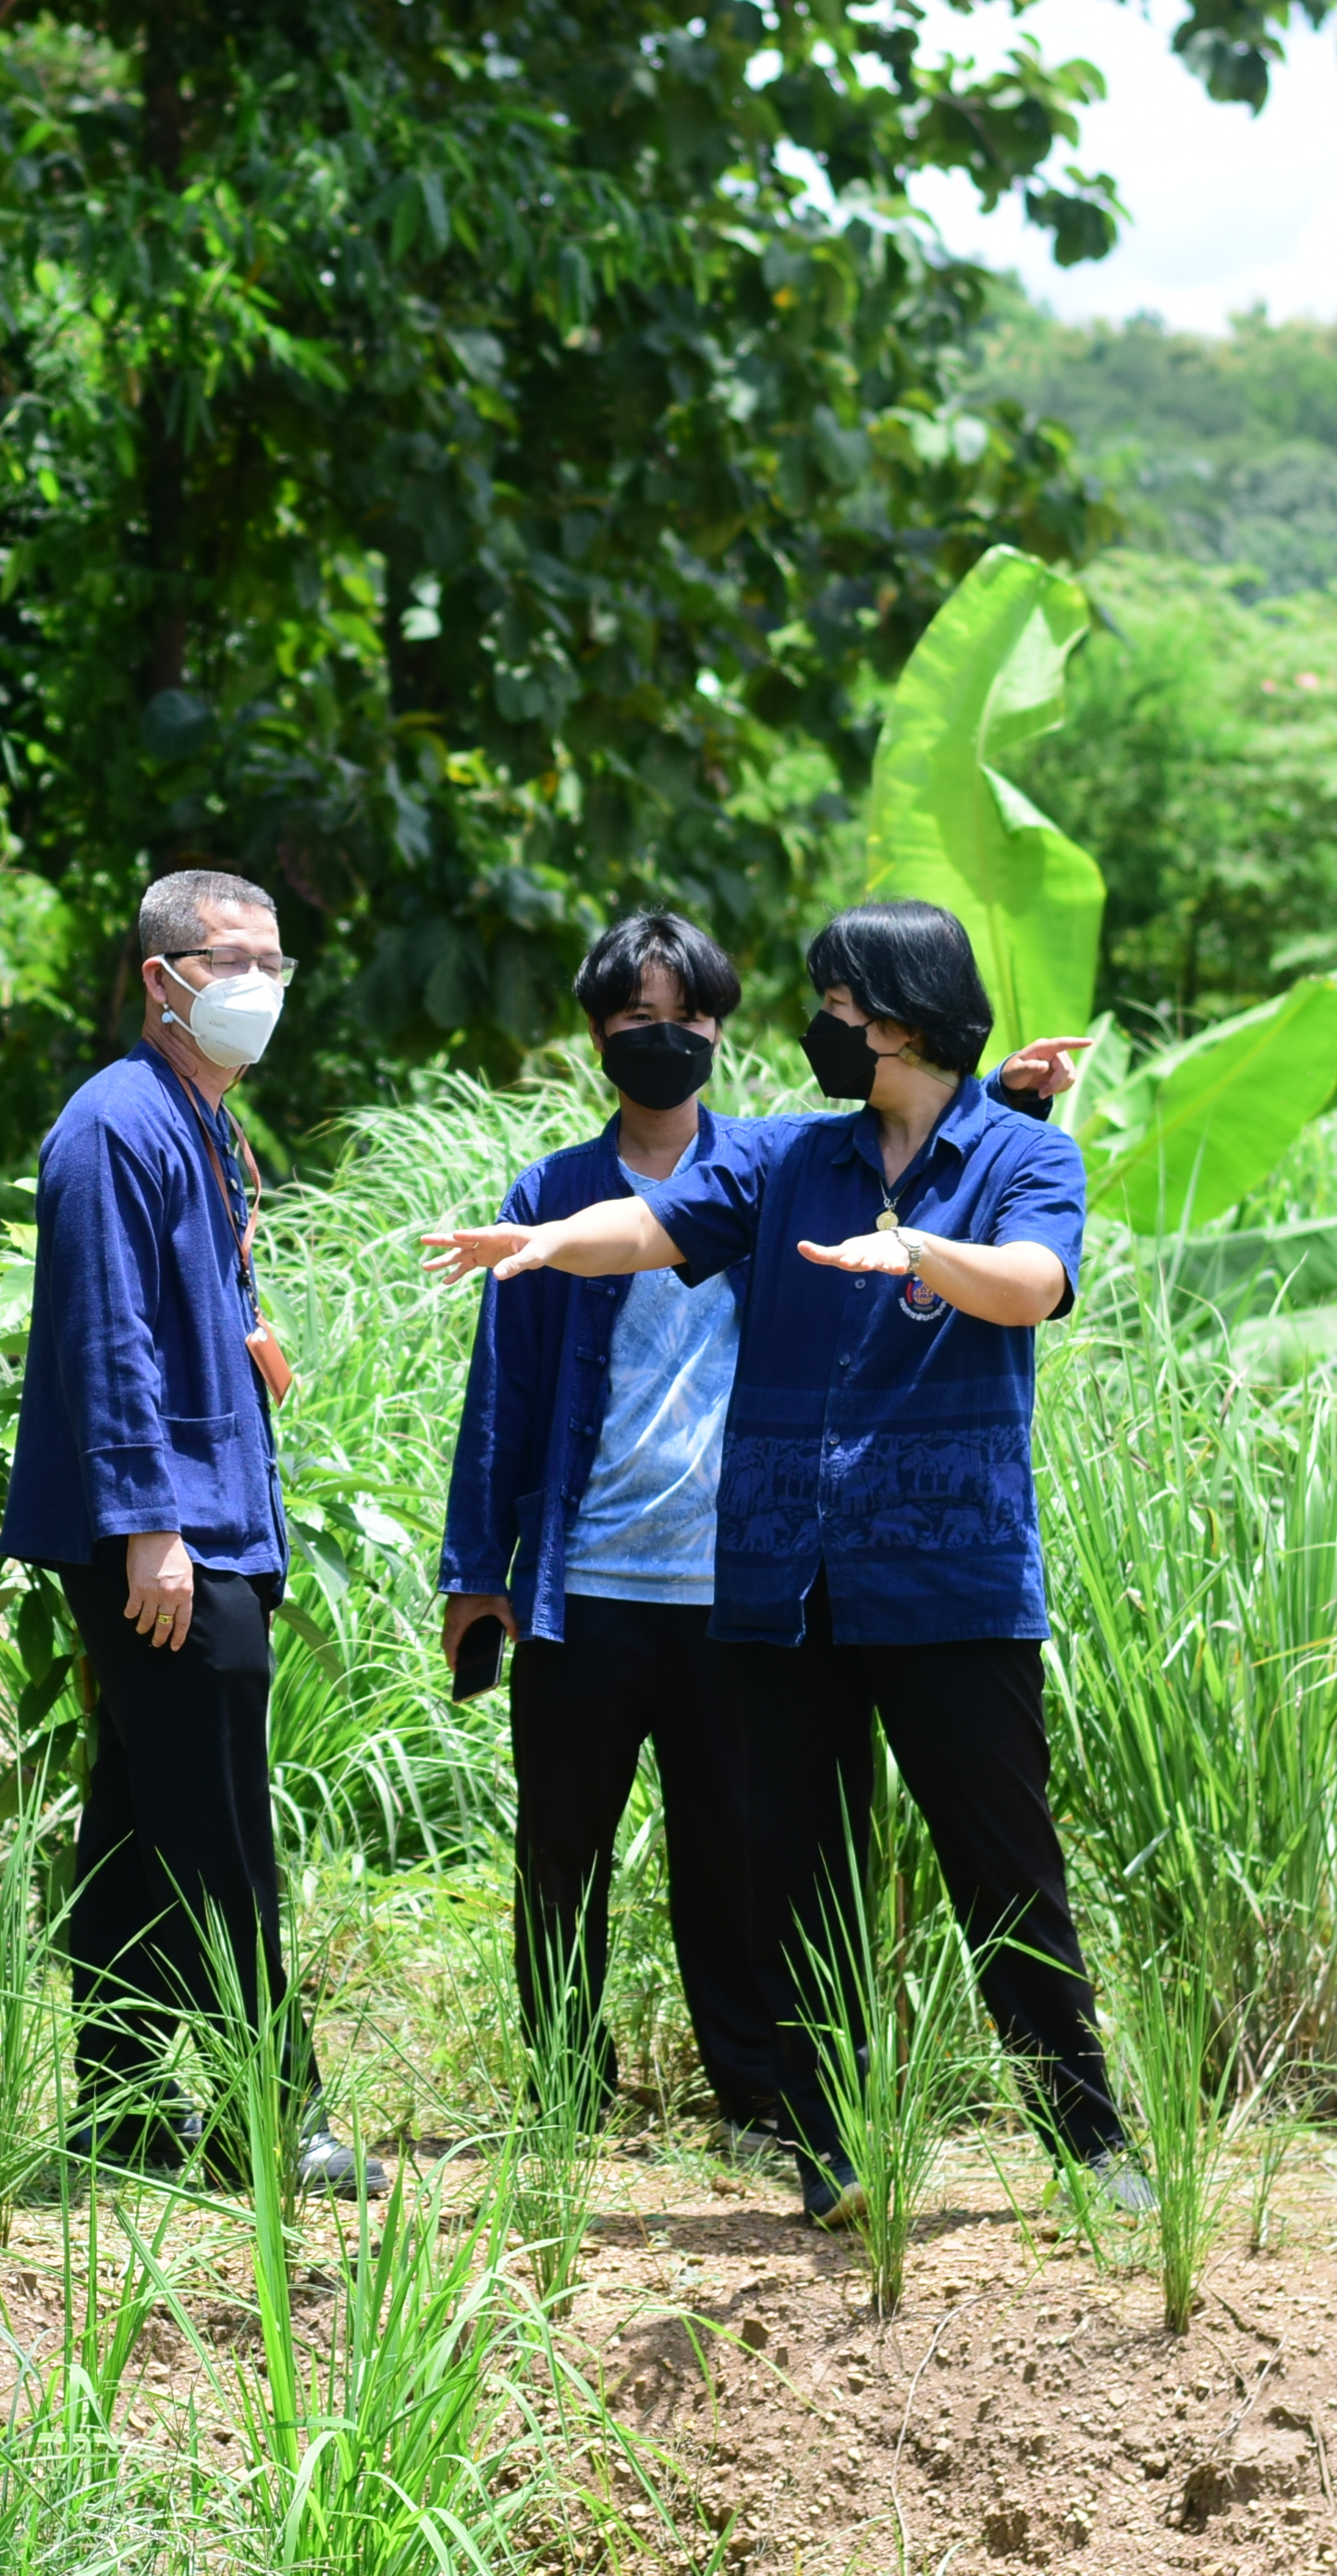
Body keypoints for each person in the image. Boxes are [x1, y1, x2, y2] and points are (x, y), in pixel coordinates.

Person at [422, 899, 1134, 2226]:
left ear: (902, 1018)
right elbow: (652, 1226)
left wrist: (918, 1247)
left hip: (949, 1578)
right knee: (801, 1880)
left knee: (1002, 1869)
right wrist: (546, 1242)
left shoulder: (1021, 1156)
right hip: (788, 1589)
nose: (820, 1028)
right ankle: (829, 2147)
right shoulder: (794, 1159)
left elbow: (1033, 1283)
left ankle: (1087, 2142)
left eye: (837, 1007)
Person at [0, 868, 380, 2195]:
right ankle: (276, 2115)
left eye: (274, 961)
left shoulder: (200, 1119)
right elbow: (105, 1337)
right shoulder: (114, 1126)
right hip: (166, 1538)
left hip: (213, 1516)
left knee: (138, 1826)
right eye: (232, 961)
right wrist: (149, 1527)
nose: (257, 985)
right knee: (220, 1835)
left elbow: (183, 1314)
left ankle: (119, 2109)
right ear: (164, 978)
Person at [435, 910, 799, 2159]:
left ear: (719, 1030)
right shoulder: (551, 1195)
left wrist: (1010, 1098)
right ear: (599, 1033)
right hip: (581, 1589)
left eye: (688, 1017)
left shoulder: (765, 1177)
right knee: (561, 1853)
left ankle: (753, 2097)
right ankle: (564, 2095)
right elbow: (502, 1395)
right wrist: (477, 1572)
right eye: (640, 1017)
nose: (666, 1037)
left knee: (732, 1856)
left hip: (727, 1590)